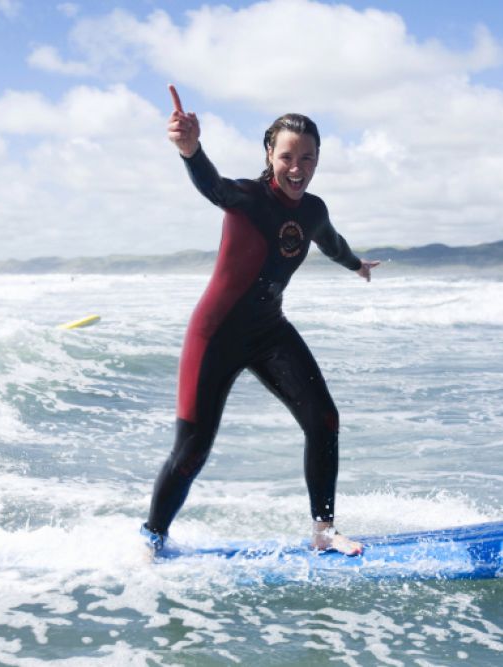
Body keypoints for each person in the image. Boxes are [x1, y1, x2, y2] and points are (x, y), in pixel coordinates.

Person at [141, 85, 379, 556]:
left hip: (269, 331)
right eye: (288, 155)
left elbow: (331, 242)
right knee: (191, 452)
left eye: (309, 158)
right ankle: (152, 540)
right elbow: (213, 186)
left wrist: (356, 265)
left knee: (324, 420)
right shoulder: (247, 198)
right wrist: (191, 150)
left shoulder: (313, 210)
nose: (298, 168)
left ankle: (323, 533)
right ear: (269, 153)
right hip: (215, 334)